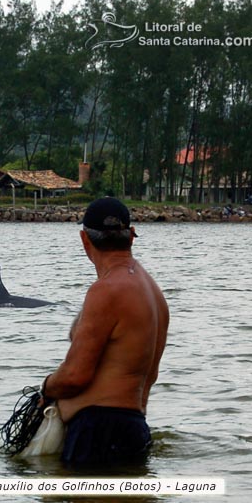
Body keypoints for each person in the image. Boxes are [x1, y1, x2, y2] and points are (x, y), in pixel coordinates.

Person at [42, 197, 169, 467]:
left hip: (98, 432)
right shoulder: (154, 293)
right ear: (131, 237)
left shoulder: (107, 289)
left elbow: (75, 376)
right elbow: (151, 375)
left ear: (84, 240)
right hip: (134, 428)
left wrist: (45, 388)